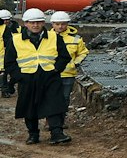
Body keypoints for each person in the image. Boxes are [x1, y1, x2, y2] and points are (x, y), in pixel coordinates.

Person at [3, 8, 73, 144]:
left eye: (39, 22)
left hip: (49, 76)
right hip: (27, 78)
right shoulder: (16, 40)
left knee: (54, 104)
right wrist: (19, 76)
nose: (35, 25)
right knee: (29, 106)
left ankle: (56, 133)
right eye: (31, 22)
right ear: (26, 24)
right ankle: (33, 134)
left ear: (43, 23)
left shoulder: (54, 37)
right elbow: (9, 62)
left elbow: (64, 56)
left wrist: (56, 70)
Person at [48, 11, 86, 141]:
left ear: (67, 24)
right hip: (50, 74)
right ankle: (51, 121)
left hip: (67, 73)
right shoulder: (46, 37)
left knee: (64, 98)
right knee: (50, 98)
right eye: (57, 24)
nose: (60, 27)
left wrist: (75, 63)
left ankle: (61, 121)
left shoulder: (75, 39)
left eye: (62, 24)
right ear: (52, 24)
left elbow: (83, 53)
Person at [0, 9, 14, 98]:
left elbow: (8, 41)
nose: (6, 21)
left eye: (7, 19)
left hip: (4, 55)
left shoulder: (5, 28)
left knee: (3, 73)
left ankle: (5, 90)